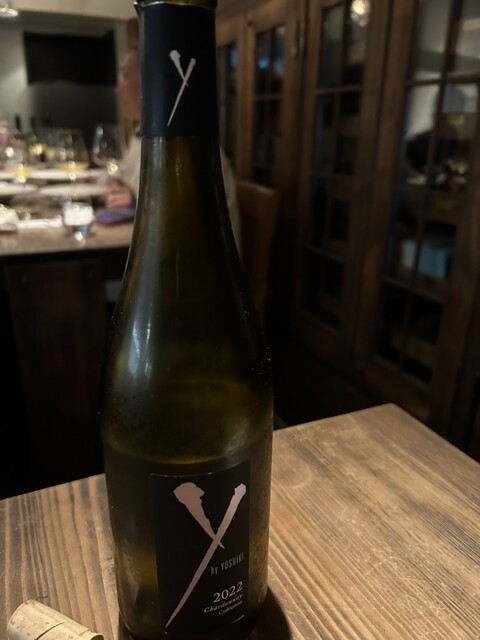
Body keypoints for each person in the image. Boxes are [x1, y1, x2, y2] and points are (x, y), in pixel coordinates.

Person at [105, 48, 242, 252]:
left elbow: (187, 227)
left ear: (153, 80)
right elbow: (128, 175)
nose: (118, 89)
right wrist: (120, 185)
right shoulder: (143, 134)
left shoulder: (185, 144)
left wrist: (136, 200)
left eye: (125, 75)